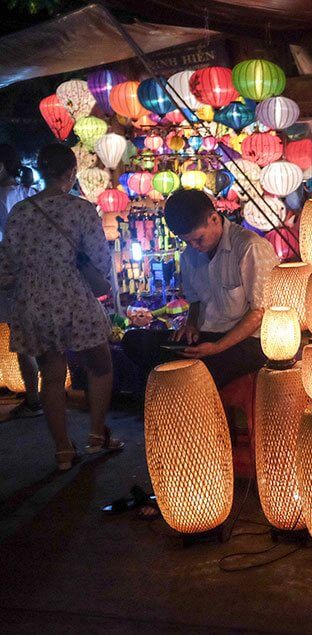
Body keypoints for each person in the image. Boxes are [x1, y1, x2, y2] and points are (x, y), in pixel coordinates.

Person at [0, 144, 121, 469]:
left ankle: (63, 451)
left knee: (51, 376)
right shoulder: (80, 210)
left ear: (40, 171)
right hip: (74, 299)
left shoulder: (20, 212)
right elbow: (99, 260)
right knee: (100, 366)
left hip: (34, 302)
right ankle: (97, 435)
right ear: (71, 173)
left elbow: (6, 269)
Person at [121, 189, 279, 388]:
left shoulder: (249, 247)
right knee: (133, 341)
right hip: (208, 337)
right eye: (187, 241)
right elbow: (196, 300)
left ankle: (193, 409)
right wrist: (191, 325)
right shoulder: (189, 255)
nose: (194, 246)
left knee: (191, 374)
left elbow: (260, 313)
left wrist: (217, 347)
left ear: (214, 218)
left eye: (198, 239)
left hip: (247, 342)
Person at [0, 144, 41, 418]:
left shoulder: (5, 196)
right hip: (40, 274)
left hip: (12, 276)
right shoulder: (31, 193)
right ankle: (41, 396)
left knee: (22, 337)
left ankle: (35, 398)